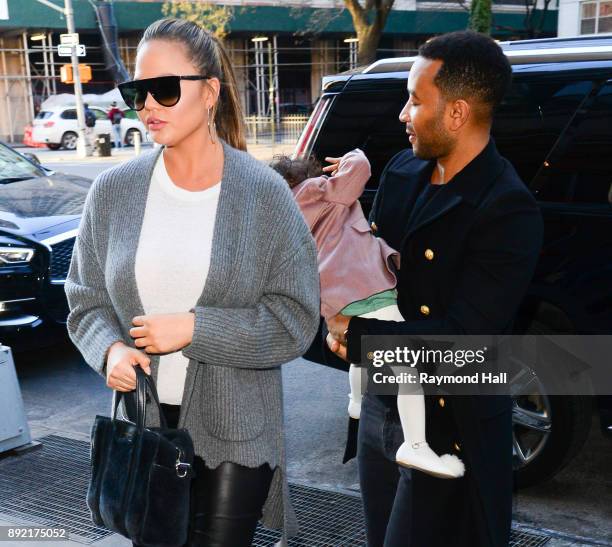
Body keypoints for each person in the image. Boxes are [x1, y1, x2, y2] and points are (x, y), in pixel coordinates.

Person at [64, 17, 320, 547]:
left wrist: (195, 329)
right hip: (145, 426)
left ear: (209, 93)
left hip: (237, 433)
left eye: (164, 89)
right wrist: (109, 349)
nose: (148, 106)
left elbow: (296, 319)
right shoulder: (113, 193)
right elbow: (84, 300)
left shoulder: (263, 194)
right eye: (138, 92)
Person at [323, 31, 544, 546]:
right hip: (383, 407)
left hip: (450, 428)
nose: (403, 113)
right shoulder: (404, 172)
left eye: (416, 100)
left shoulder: (506, 209)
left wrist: (358, 340)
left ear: (458, 112)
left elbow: (464, 343)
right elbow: (367, 271)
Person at [271, 149, 464, 479]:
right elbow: (361, 169)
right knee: (409, 369)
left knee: (360, 353)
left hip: (337, 295)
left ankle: (357, 402)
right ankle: (415, 444)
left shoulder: (285, 220)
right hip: (366, 285)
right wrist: (349, 158)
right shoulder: (314, 190)